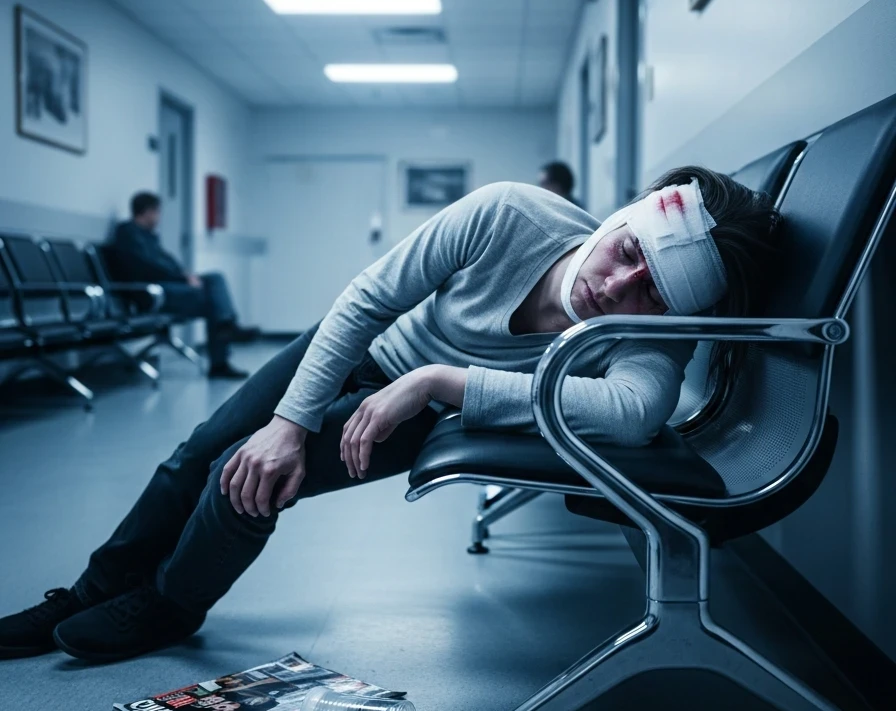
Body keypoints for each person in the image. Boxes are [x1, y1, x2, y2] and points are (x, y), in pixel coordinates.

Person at [0, 167, 781, 663]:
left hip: (425, 401)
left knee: (252, 482)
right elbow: (368, 299)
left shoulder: (651, 334)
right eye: (626, 254)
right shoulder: (511, 213)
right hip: (370, 346)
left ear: (674, 310)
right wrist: (289, 419)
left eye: (652, 291)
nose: (617, 291)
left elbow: (632, 413)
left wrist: (441, 382)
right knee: (201, 450)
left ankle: (170, 606)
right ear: (624, 216)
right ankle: (86, 593)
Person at [111, 191, 255, 380]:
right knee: (213, 304)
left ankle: (226, 324)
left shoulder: (148, 237)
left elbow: (167, 261)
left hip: (166, 287)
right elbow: (147, 267)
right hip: (150, 293)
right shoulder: (128, 233)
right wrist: (182, 278)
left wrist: (187, 274)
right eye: (157, 212)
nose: (159, 217)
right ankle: (222, 350)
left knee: (215, 278)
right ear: (146, 212)